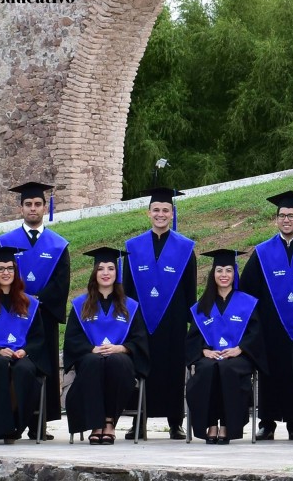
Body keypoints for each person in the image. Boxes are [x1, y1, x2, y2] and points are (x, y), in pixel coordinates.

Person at [240, 190, 293, 441]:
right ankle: (267, 423)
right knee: (270, 372)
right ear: (276, 219)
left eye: (291, 215)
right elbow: (247, 290)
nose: (286, 219)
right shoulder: (262, 252)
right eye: (282, 215)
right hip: (270, 324)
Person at [0, 181, 70, 439]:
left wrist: (36, 302)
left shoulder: (58, 244)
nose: (33, 209)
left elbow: (62, 282)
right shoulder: (6, 242)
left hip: (43, 317)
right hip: (11, 316)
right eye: (28, 204)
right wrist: (18, 301)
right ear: (21, 208)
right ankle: (12, 419)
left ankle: (40, 424)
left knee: (43, 366)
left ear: (44, 207)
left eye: (38, 204)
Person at [123, 187, 197, 439]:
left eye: (166, 210)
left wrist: (189, 322)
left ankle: (175, 422)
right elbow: (127, 287)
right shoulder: (133, 247)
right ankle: (138, 422)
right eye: (156, 210)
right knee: (141, 367)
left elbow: (190, 288)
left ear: (172, 213)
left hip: (174, 318)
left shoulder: (185, 247)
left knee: (173, 369)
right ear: (148, 213)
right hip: (141, 318)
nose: (161, 214)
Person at [63, 247, 150, 445]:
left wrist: (122, 348)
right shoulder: (80, 305)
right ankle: (96, 424)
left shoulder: (130, 305)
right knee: (93, 362)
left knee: (117, 362)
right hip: (90, 357)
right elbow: (72, 338)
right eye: (101, 268)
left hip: (121, 358)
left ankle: (109, 421)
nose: (105, 273)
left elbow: (139, 339)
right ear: (95, 273)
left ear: (116, 273)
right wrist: (90, 348)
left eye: (110, 268)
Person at [0, 245, 50, 444]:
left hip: (22, 356)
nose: (6, 272)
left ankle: (15, 425)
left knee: (23, 370)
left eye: (10, 268)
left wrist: (25, 350)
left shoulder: (29, 303)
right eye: (1, 268)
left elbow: (38, 337)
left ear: (16, 271)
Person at [185, 249, 266, 444]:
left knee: (227, 369)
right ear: (213, 274)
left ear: (234, 274)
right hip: (210, 356)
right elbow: (193, 336)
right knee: (206, 369)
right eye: (219, 270)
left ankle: (227, 425)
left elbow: (255, 334)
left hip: (238, 357)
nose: (224, 275)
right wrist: (204, 350)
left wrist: (241, 349)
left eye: (228, 271)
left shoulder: (247, 303)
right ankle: (211, 423)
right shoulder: (202, 305)